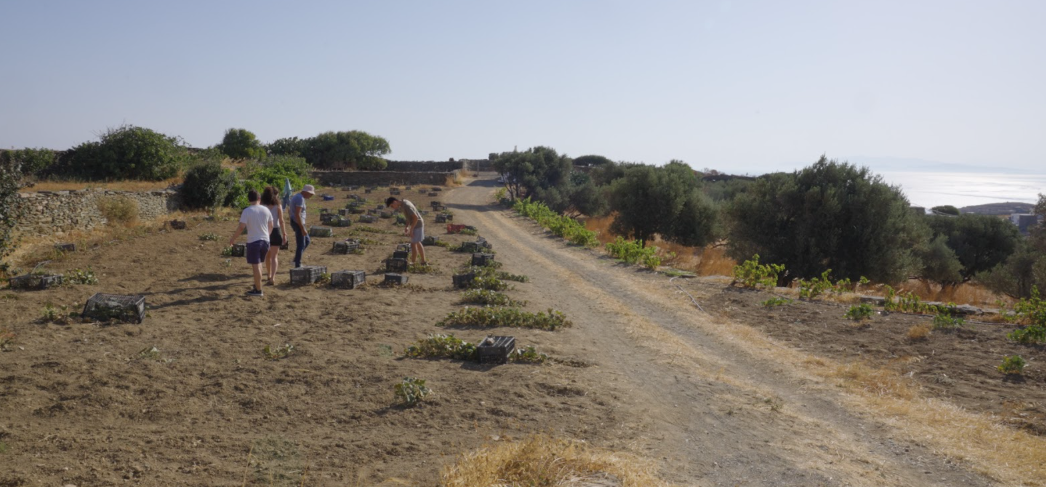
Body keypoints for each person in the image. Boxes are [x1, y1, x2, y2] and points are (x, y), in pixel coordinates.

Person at [229, 189, 273, 297]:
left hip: (254, 241)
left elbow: (241, 227)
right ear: (259, 198)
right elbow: (271, 225)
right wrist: (267, 235)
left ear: (249, 200)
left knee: (256, 266)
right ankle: (258, 285)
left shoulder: (247, 211)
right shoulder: (266, 210)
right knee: (260, 264)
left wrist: (233, 238)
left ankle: (258, 290)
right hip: (265, 241)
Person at [386, 196, 426, 265]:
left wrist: (411, 229)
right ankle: (423, 261)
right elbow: (408, 217)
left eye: (392, 206)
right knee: (417, 242)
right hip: (417, 223)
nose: (393, 208)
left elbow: (415, 218)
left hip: (417, 224)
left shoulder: (406, 205)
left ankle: (413, 262)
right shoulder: (403, 204)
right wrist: (407, 226)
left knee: (413, 244)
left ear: (395, 202)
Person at [261, 186, 287, 285]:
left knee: (267, 256)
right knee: (274, 256)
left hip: (265, 231)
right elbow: (281, 221)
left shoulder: (262, 206)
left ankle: (268, 274)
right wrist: (284, 233)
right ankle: (273, 277)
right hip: (276, 230)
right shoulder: (278, 206)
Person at [288, 184, 315, 268]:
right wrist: (302, 228)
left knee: (307, 241)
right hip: (298, 223)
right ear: (306, 192)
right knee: (301, 244)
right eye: (310, 194)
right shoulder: (300, 199)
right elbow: (297, 214)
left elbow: (290, 211)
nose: (311, 196)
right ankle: (297, 264)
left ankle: (296, 259)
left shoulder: (297, 197)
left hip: (296, 222)